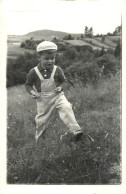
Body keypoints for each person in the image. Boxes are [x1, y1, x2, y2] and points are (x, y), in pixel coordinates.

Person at [25, 40, 83, 141]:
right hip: (43, 99)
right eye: (46, 58)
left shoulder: (58, 69)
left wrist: (61, 87)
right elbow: (28, 84)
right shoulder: (33, 71)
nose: (50, 61)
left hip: (57, 95)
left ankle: (76, 131)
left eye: (52, 58)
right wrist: (32, 92)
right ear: (39, 58)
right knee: (42, 121)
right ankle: (39, 140)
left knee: (66, 107)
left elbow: (64, 81)